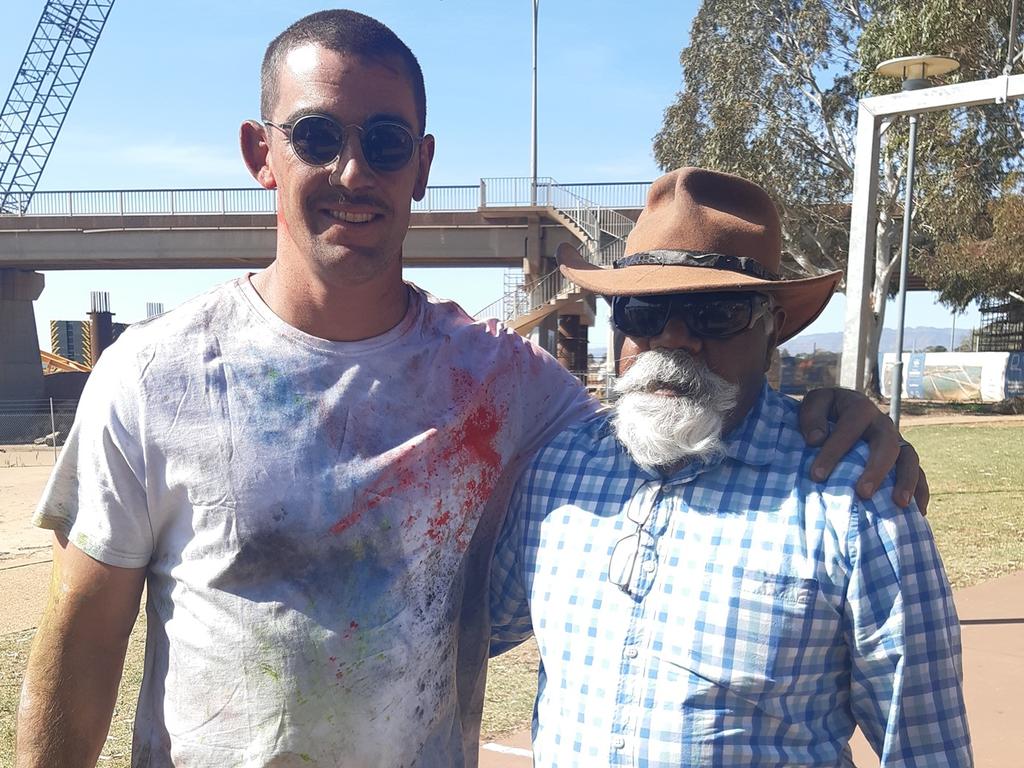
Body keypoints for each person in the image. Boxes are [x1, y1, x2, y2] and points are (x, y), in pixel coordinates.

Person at [16, 11, 925, 768]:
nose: (352, 171)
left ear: (421, 162)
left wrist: (839, 410)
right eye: (318, 136)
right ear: (263, 152)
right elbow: (84, 636)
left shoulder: (507, 386)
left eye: (384, 142)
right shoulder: (153, 372)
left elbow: (673, 410)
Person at [490, 167, 971, 767]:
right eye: (641, 310)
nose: (674, 339)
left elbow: (927, 749)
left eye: (715, 314)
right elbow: (457, 631)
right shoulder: (557, 472)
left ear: (772, 329)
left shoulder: (857, 502)